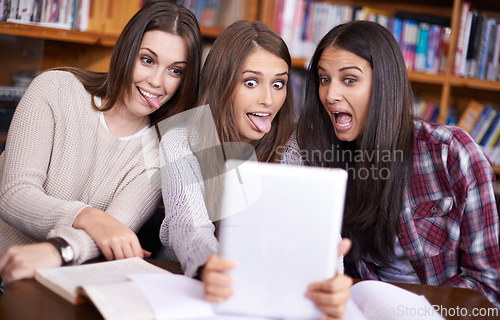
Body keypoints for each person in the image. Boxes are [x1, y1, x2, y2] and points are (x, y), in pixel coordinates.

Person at [280, 20, 500, 307]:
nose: (330, 95)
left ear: (384, 84)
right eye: (324, 79)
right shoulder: (317, 156)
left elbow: (487, 285)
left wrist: (413, 311)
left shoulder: (452, 154)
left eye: (349, 79)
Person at [158, 20, 352, 319]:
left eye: (278, 84)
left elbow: (309, 229)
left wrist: (329, 270)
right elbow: (189, 223)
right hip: (190, 293)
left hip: (269, 298)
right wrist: (211, 266)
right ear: (222, 82)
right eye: (251, 82)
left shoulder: (293, 145)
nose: (268, 99)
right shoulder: (181, 140)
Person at [0, 0, 202, 285]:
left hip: (56, 287)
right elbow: (13, 195)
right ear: (126, 51)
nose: (158, 82)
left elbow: (114, 235)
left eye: (175, 71)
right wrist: (90, 217)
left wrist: (61, 249)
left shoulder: (160, 152)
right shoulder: (55, 90)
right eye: (147, 60)